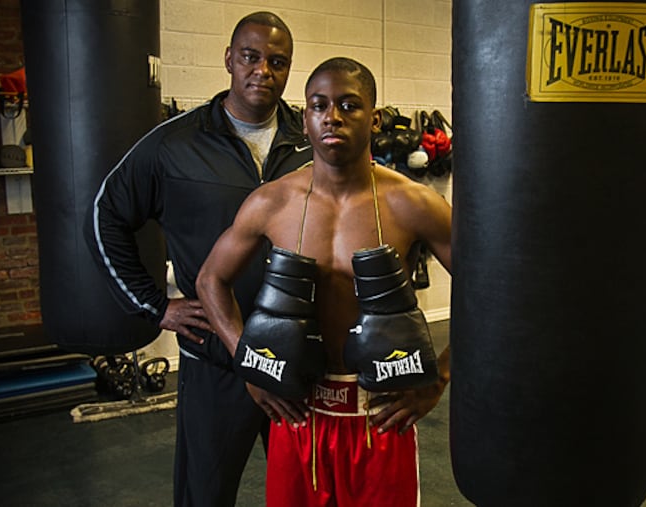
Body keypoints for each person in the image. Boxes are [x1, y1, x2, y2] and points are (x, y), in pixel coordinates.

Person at [196, 57, 452, 506]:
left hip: (380, 415)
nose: (332, 116)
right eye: (319, 105)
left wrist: (440, 377)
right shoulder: (272, 202)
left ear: (374, 119)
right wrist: (251, 365)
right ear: (307, 116)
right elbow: (210, 280)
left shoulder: (413, 204)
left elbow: (492, 297)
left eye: (349, 105)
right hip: (299, 410)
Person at [84, 12, 312, 506]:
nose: (263, 71)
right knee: (204, 495)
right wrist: (154, 306)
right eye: (250, 57)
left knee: (309, 493)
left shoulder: (311, 142)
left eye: (278, 62)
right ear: (229, 59)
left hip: (296, 358)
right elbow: (105, 216)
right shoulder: (175, 144)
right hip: (215, 359)